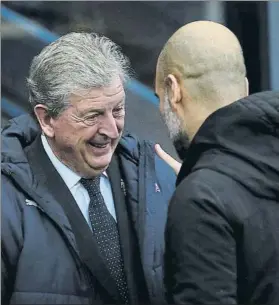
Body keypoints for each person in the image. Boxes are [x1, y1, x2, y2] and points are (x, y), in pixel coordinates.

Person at [1, 32, 176, 305]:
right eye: (93, 115)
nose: (110, 129)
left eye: (117, 110)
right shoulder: (6, 201)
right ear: (46, 119)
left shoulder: (157, 176)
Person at [154, 21, 279, 304]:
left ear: (173, 89)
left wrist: (198, 189)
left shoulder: (202, 199)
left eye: (158, 97)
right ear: (244, 88)